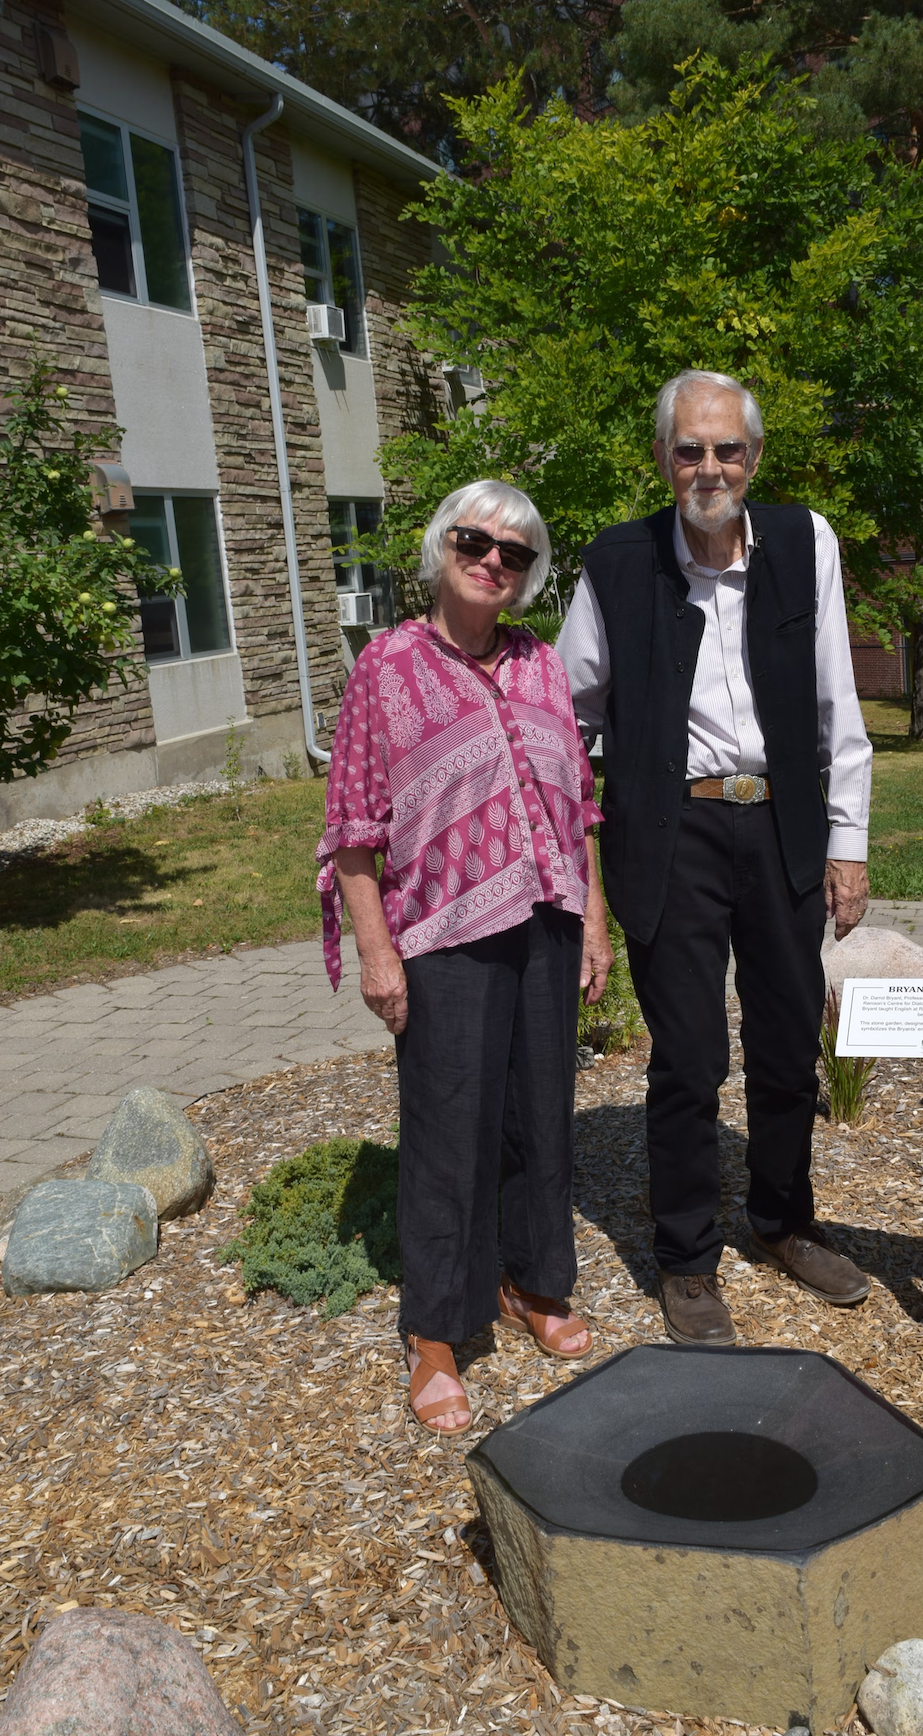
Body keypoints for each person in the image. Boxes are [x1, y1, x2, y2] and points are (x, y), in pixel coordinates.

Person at [556, 369, 874, 1346]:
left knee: (787, 1042)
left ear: (755, 457)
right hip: (674, 833)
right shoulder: (618, 563)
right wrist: (579, 858)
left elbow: (837, 701)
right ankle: (688, 1260)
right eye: (689, 449)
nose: (709, 467)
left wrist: (850, 842)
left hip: (782, 826)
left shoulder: (806, 542)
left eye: (727, 449)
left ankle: (783, 1221)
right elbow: (567, 715)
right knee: (690, 1059)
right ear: (663, 458)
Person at [317, 481, 614, 1433]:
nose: (492, 561)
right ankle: (435, 1329)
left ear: (529, 574)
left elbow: (579, 807)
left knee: (543, 1115)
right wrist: (377, 955)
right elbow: (353, 829)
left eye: (514, 554)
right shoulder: (387, 666)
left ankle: (532, 1282)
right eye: (475, 542)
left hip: (547, 917)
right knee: (449, 1131)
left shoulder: (540, 665)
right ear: (441, 547)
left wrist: (594, 920)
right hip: (442, 932)